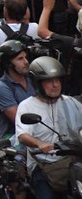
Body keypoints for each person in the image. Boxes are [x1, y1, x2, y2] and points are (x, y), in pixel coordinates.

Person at [15, 56, 82, 198]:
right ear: (37, 83)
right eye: (49, 81)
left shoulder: (70, 102)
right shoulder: (27, 106)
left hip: (71, 159)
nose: (55, 85)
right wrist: (41, 144)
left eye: (57, 80)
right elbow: (22, 135)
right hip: (43, 163)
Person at [0, 39, 33, 141]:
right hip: (13, 138)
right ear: (8, 64)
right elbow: (18, 120)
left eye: (25, 57)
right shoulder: (2, 87)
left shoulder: (32, 79)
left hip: (39, 130)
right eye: (20, 59)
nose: (26, 62)